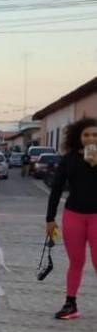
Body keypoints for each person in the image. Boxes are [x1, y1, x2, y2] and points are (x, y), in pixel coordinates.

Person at [46, 117, 97, 320]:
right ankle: (70, 304)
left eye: (95, 135)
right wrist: (50, 219)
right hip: (73, 216)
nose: (91, 138)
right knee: (76, 261)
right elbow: (56, 189)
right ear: (79, 137)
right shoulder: (68, 159)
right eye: (86, 135)